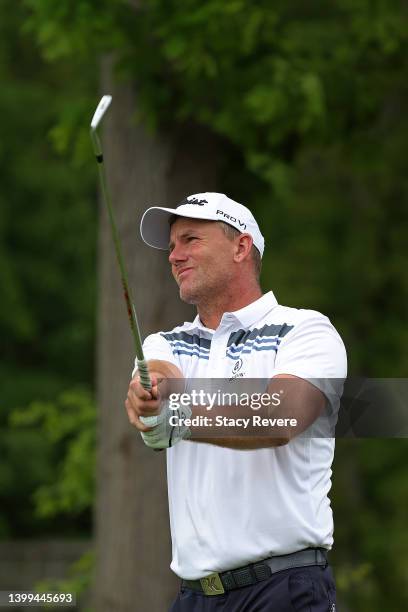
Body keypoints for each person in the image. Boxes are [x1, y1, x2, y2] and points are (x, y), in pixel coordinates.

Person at [125, 192, 347, 611]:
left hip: (284, 588)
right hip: (194, 597)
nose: (175, 256)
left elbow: (281, 417)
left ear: (241, 246)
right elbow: (160, 380)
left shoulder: (305, 331)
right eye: (172, 246)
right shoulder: (167, 343)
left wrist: (183, 418)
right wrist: (148, 399)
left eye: (191, 239)